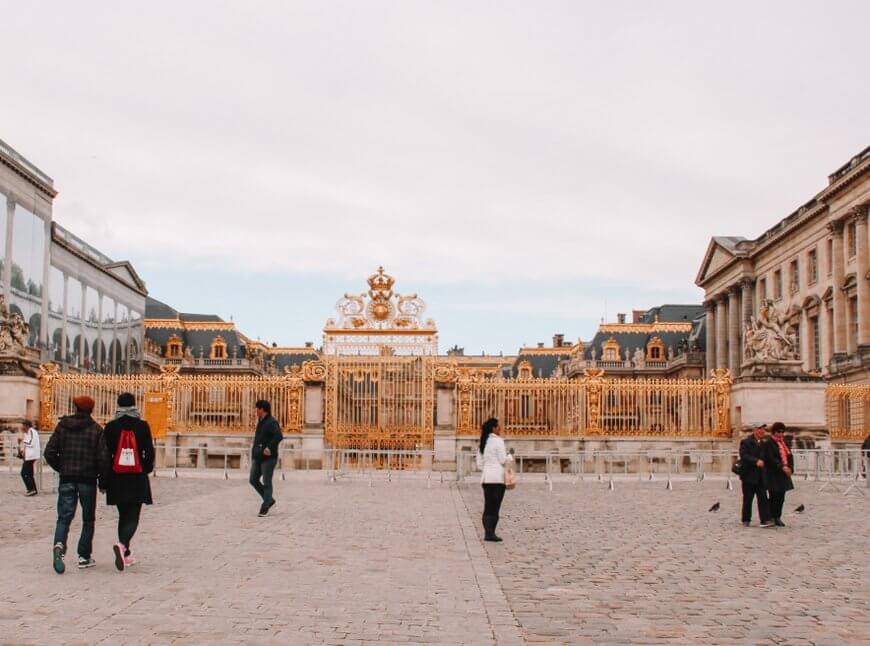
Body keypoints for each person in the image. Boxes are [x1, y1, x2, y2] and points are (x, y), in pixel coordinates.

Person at [44, 396, 108, 573]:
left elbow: (49, 452)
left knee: (64, 517)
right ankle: (83, 556)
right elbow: (103, 459)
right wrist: (103, 482)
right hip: (87, 479)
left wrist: (62, 467)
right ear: (91, 409)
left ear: (75, 408)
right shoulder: (96, 430)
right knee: (88, 519)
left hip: (67, 479)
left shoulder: (62, 427)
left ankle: (59, 545)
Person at [102, 392, 155, 572]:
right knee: (133, 515)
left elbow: (104, 456)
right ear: (134, 405)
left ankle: (125, 554)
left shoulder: (110, 427)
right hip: (136, 476)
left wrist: (104, 479)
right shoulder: (142, 426)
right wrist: (145, 469)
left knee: (123, 514)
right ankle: (123, 545)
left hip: (116, 477)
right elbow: (149, 451)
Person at [476, 417, 512, 542]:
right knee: (495, 507)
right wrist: (510, 455)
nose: (500, 428)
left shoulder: (483, 442)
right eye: (498, 426)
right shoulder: (498, 441)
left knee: (487, 506)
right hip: (497, 479)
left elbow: (479, 463)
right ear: (494, 428)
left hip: (486, 478)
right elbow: (503, 460)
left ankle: (487, 533)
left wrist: (487, 468)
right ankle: (492, 533)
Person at [249, 399, 282, 517]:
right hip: (258, 456)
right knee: (253, 479)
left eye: (256, 408)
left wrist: (269, 447)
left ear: (262, 409)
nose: (255, 411)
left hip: (268, 458)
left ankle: (265, 506)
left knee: (267, 481)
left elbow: (278, 436)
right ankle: (269, 499)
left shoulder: (272, 422)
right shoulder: (261, 421)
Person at [738, 424, 774, 528]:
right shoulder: (746, 442)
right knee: (748, 498)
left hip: (761, 476)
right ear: (754, 430)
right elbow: (744, 455)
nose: (762, 431)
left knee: (763, 498)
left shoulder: (764, 443)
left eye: (763, 429)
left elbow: (767, 458)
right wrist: (755, 461)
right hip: (749, 475)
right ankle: (746, 519)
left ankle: (765, 519)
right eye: (759, 429)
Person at [763, 422, 794, 527]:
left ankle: (777, 516)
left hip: (784, 474)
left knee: (781, 496)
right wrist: (781, 466)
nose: (780, 434)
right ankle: (771, 516)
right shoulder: (769, 443)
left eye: (782, 432)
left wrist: (791, 468)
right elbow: (770, 458)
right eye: (778, 432)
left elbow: (790, 456)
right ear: (773, 432)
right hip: (773, 473)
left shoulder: (784, 443)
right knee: (774, 496)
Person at [18, 419, 41, 496]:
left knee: (24, 473)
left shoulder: (32, 432)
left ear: (27, 426)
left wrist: (22, 440)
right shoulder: (26, 433)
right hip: (28, 455)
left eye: (23, 425)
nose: (22, 427)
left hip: (32, 455)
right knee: (29, 473)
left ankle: (31, 489)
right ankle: (33, 489)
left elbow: (31, 443)